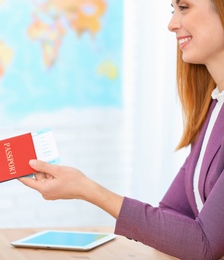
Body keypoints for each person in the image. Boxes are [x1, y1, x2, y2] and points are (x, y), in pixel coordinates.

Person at [19, 0, 224, 259]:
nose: (171, 24)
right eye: (172, 11)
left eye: (184, 7)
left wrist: (87, 190)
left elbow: (203, 244)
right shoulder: (213, 107)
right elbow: (174, 215)